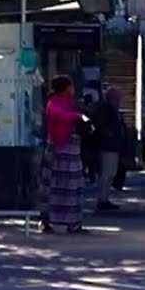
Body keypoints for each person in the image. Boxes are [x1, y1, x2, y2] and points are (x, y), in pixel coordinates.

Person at [43, 76, 88, 234]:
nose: (73, 89)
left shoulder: (69, 103)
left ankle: (72, 222)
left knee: (72, 187)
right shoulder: (54, 102)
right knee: (57, 186)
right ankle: (50, 220)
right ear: (66, 88)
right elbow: (59, 116)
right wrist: (77, 116)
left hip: (70, 151)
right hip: (60, 150)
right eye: (71, 86)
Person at [89, 87, 127, 213]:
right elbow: (100, 124)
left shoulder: (113, 109)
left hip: (113, 145)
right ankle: (102, 199)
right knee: (106, 173)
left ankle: (105, 198)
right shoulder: (106, 109)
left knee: (111, 173)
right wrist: (108, 134)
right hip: (107, 145)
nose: (120, 99)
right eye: (118, 96)